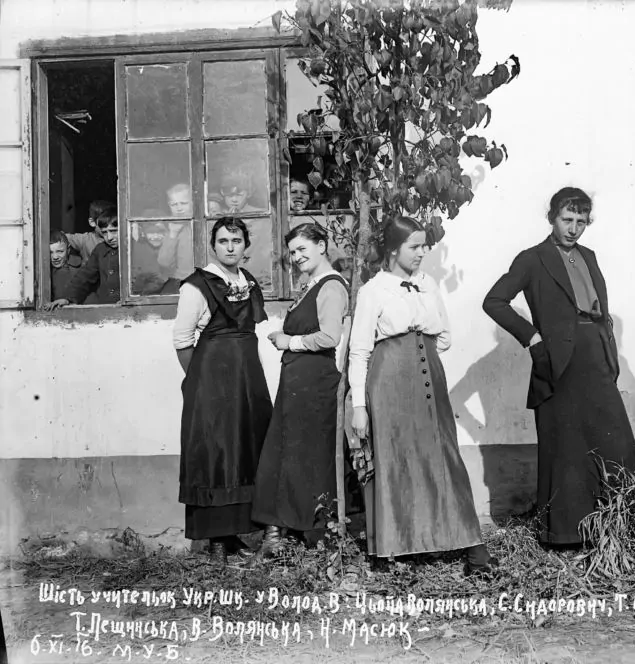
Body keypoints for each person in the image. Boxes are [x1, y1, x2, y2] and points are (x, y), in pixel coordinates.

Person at [482, 187, 635, 547]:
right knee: (565, 447)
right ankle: (566, 535)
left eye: (581, 221)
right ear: (551, 217)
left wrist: (609, 351)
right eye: (567, 219)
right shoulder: (532, 259)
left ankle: (616, 529)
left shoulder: (589, 256)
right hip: (559, 362)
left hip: (596, 355)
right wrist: (533, 339)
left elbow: (599, 310)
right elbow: (494, 301)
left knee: (615, 440)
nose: (573, 228)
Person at [349, 216, 497, 575]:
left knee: (444, 455)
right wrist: (359, 406)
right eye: (414, 246)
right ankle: (398, 548)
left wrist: (423, 350)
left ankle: (472, 548)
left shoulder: (428, 284)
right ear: (393, 249)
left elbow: (444, 336)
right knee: (396, 458)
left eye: (424, 246)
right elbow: (359, 351)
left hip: (429, 376)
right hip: (389, 381)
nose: (421, 253)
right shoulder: (373, 291)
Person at [172, 217, 273, 564]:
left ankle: (234, 535)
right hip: (211, 380)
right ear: (213, 246)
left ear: (246, 246)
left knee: (243, 448)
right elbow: (182, 340)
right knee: (216, 452)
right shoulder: (196, 286)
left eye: (237, 240)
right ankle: (215, 539)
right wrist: (199, 381)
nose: (230, 247)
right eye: (223, 241)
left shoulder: (249, 282)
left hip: (247, 378)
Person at [252, 223, 347, 554]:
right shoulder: (311, 285)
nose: (296, 257)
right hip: (298, 381)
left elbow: (330, 337)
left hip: (314, 383)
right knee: (285, 454)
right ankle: (281, 535)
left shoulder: (331, 286)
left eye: (302, 249)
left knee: (304, 457)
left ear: (322, 246)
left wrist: (288, 341)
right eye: (292, 252)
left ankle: (305, 535)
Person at [45, 208, 120, 309]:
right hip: (105, 308)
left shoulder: (134, 250)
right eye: (104, 232)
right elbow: (85, 276)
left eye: (113, 231)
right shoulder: (100, 250)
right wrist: (68, 298)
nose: (109, 237)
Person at [159, 183, 196, 285]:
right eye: (174, 204)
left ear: (193, 202)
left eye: (184, 203)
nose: (179, 208)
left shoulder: (206, 225)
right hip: (182, 283)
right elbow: (164, 262)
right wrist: (172, 235)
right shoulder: (171, 228)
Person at [131, 212, 172, 295]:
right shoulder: (138, 250)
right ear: (143, 233)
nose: (156, 236)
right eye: (151, 232)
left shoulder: (173, 249)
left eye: (160, 232)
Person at [49, 230, 83, 302]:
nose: (55, 257)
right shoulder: (41, 271)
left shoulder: (80, 269)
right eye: (50, 252)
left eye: (60, 251)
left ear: (68, 250)